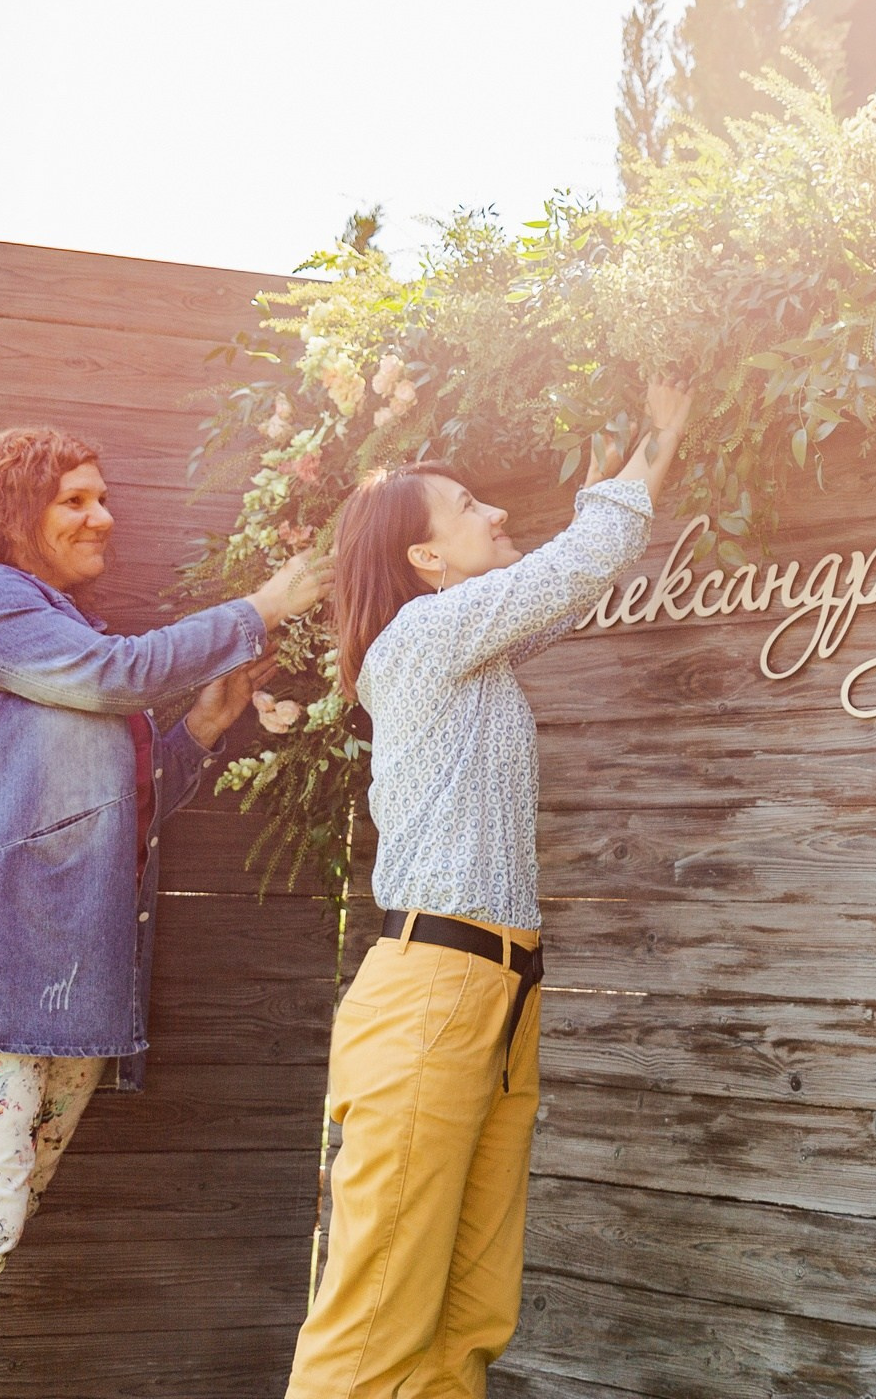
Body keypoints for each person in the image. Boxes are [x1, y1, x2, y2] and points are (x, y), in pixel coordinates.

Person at [0, 425, 332, 1399]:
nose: (104, 516)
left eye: (104, 497)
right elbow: (117, 676)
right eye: (75, 500)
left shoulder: (62, 640)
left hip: (63, 1000)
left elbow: (125, 811)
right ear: (11, 513)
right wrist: (260, 609)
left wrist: (205, 727)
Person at [287, 382, 692, 1399]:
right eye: (469, 508)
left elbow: (573, 581)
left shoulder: (470, 651)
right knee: (376, 1317)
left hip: (498, 989)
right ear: (425, 560)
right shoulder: (421, 641)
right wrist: (660, 436)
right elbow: (580, 561)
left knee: (466, 1320)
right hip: (432, 988)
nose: (495, 512)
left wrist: (624, 476)